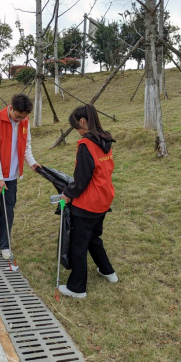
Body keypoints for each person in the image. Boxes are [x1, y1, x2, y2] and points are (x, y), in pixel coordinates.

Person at [60, 104, 119, 299]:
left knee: (79, 245)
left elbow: (81, 179)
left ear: (83, 121)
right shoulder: (105, 139)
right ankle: (108, 271)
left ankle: (77, 288)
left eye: (76, 127)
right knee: (93, 237)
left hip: (88, 202)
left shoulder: (86, 144)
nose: (77, 131)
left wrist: (68, 193)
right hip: (104, 198)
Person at [0, 93, 40, 260]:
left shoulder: (25, 122)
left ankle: (5, 245)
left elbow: (26, 146)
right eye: (18, 116)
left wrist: (32, 162)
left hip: (12, 175)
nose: (20, 120)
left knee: (8, 210)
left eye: (23, 117)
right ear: (11, 108)